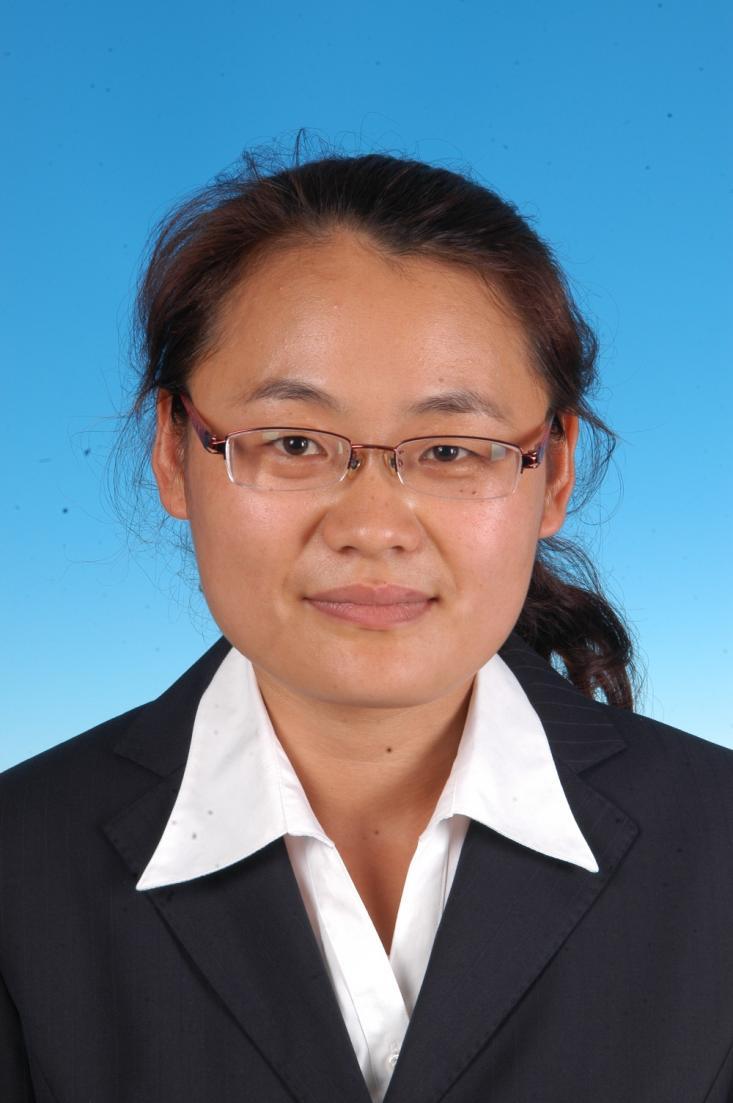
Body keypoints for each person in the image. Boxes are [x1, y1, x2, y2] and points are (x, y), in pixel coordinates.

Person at [1, 145, 732, 1103]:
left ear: (552, 471)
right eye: (294, 441)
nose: (373, 527)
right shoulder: (18, 867)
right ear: (174, 452)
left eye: (449, 449)